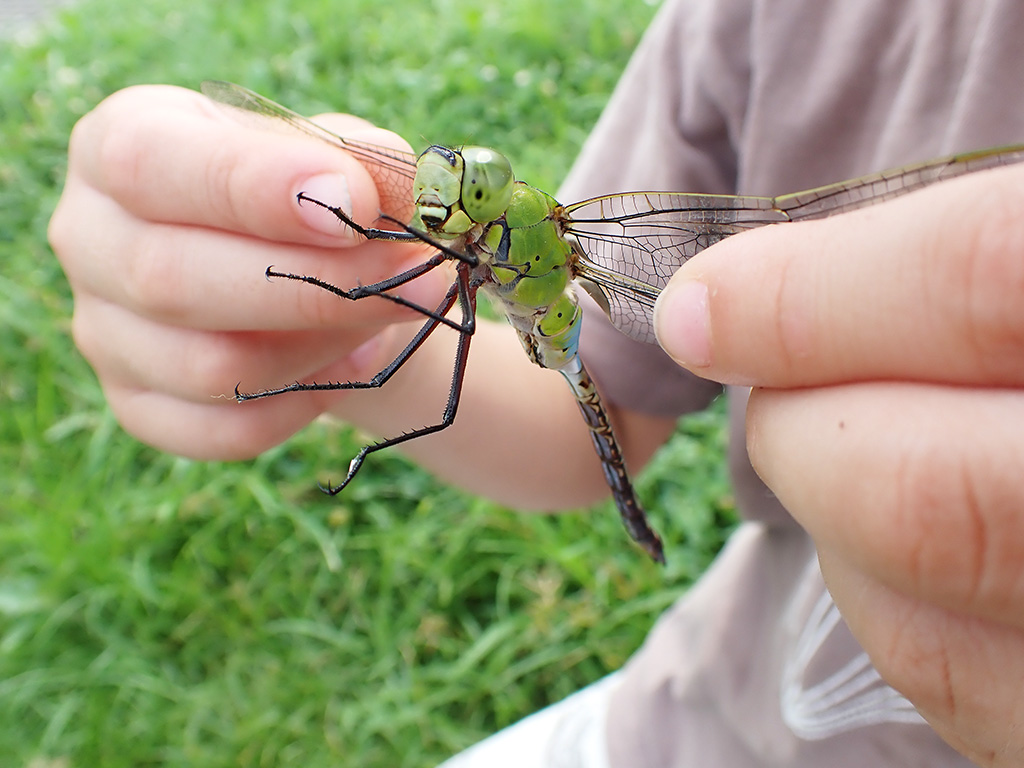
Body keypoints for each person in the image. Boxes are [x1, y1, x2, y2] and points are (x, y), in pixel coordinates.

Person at [49, 0, 1024, 766]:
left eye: (462, 192)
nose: (443, 200)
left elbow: (549, 382)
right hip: (687, 724)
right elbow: (456, 341)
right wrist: (316, 326)